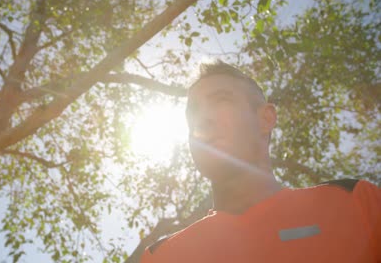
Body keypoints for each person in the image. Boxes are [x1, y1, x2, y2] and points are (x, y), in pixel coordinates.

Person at [140, 60, 381, 263]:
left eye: (221, 100)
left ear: (266, 118)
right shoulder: (161, 256)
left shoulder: (356, 202)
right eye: (192, 113)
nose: (201, 120)